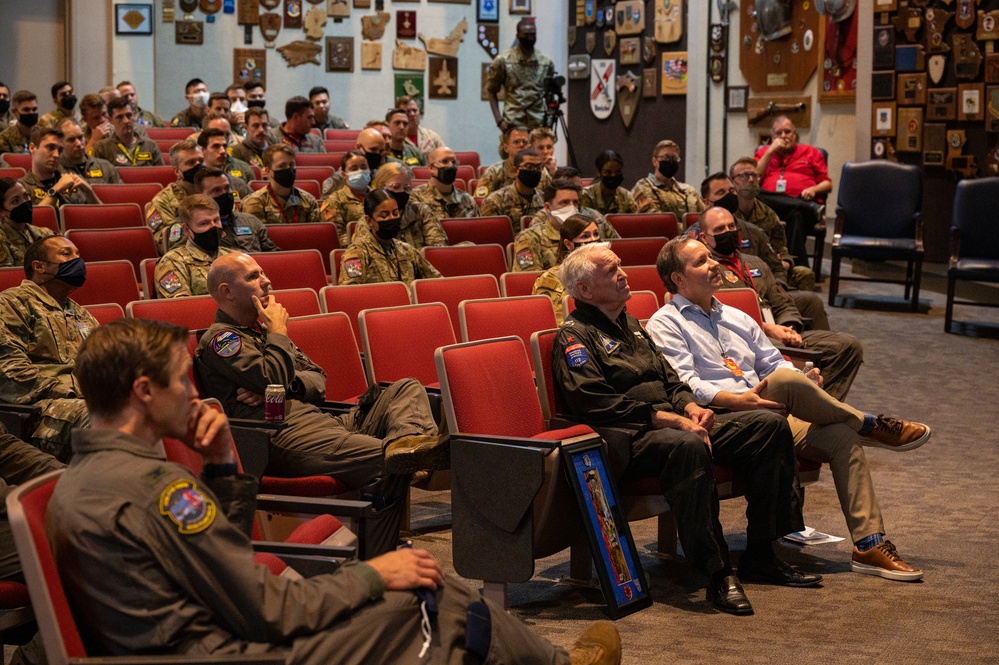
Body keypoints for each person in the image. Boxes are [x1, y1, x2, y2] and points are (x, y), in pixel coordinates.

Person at [50, 315, 622, 664]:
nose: (196, 397)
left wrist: (224, 463)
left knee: (429, 596)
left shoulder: (91, 473)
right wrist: (375, 573)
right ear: (145, 392)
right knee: (426, 597)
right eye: (182, 382)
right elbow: (270, 608)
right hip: (228, 651)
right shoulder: (156, 487)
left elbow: (215, 557)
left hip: (211, 633)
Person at [552, 243, 819, 615]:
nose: (624, 274)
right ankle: (717, 572)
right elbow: (593, 402)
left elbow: (671, 379)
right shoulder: (574, 336)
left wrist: (690, 406)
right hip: (625, 440)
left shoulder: (630, 325)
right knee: (687, 445)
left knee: (768, 426)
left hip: (669, 426)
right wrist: (665, 418)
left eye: (620, 267)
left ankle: (763, 552)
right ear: (585, 289)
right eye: (612, 271)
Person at [647, 236, 930, 581]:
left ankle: (869, 544)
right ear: (678, 279)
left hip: (771, 410)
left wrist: (804, 377)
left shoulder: (737, 316)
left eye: (711, 258)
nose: (714, 264)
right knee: (784, 381)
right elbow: (685, 383)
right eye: (701, 262)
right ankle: (867, 422)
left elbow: (772, 361)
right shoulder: (666, 322)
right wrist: (739, 399)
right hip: (721, 415)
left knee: (839, 434)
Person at [200, 252, 447, 553]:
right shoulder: (222, 340)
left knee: (405, 387)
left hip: (321, 420)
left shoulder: (262, 331)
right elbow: (269, 378)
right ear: (227, 291)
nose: (266, 281)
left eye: (262, 273)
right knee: (385, 460)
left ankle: (408, 446)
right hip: (279, 435)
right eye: (252, 277)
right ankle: (379, 554)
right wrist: (278, 335)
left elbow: (318, 379)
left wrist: (285, 386)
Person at [696, 207, 863, 401]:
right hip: (747, 340)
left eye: (731, 226)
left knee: (848, 346)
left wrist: (789, 327)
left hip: (779, 334)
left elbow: (781, 301)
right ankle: (815, 407)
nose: (728, 232)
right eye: (719, 230)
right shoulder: (708, 271)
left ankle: (823, 405)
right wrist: (768, 329)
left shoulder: (755, 262)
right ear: (704, 238)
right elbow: (719, 318)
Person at [0, 235, 93, 460]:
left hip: (82, 404)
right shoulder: (12, 303)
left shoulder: (80, 312)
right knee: (105, 418)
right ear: (39, 266)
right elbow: (9, 369)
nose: (77, 260)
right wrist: (74, 394)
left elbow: (105, 362)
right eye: (66, 254)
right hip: (37, 414)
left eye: (78, 254)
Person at [694, 173, 825, 323]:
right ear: (707, 202)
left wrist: (776, 290)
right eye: (721, 193)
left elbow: (777, 267)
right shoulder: (693, 239)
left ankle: (808, 344)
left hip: (765, 294)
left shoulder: (754, 231)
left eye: (731, 191)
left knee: (811, 301)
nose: (729, 197)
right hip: (730, 301)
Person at [754, 116, 831, 267]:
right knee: (754, 191)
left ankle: (794, 269)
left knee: (797, 215)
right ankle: (800, 269)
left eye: (787, 131)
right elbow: (754, 177)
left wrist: (814, 189)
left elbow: (827, 184)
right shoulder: (764, 152)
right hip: (771, 207)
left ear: (794, 134)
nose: (783, 136)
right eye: (779, 133)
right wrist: (770, 152)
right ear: (772, 136)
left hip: (802, 204)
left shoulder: (811, 152)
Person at [730, 157, 816, 291]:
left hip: (768, 270)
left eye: (754, 175)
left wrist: (782, 264)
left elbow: (782, 252)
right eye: (744, 176)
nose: (751, 180)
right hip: (737, 271)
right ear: (732, 183)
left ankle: (790, 308)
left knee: (805, 274)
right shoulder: (727, 214)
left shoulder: (768, 214)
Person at [338, 189, 442, 285]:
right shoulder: (357, 253)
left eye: (395, 213)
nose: (391, 218)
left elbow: (437, 281)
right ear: (369, 221)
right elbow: (350, 294)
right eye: (384, 215)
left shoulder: (407, 250)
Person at [154, 194, 234, 298]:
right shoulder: (173, 262)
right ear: (186, 229)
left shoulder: (233, 256)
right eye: (204, 223)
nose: (213, 227)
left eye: (216, 220)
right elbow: (182, 306)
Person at [487, 17, 555, 131]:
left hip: (538, 124)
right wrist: (499, 121)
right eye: (526, 34)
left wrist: (549, 120)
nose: (530, 37)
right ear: (518, 35)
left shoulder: (546, 63)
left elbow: (551, 94)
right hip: (512, 124)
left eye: (533, 34)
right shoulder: (503, 61)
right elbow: (491, 90)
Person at [532, 213, 600, 324]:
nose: (594, 240)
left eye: (596, 234)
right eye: (585, 236)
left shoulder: (606, 272)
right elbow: (559, 324)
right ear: (568, 244)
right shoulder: (551, 278)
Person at [361, 161, 446, 249]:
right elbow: (365, 251)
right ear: (381, 187)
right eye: (396, 187)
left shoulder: (421, 211)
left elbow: (437, 246)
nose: (401, 191)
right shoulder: (370, 219)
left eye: (406, 188)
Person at [195, 168, 277, 253]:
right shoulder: (197, 229)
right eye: (216, 190)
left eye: (227, 188)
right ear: (201, 196)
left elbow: (272, 255)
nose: (224, 193)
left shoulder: (251, 221)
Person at [146, 140, 206, 252]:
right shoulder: (163, 200)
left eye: (201, 161)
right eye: (191, 162)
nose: (199, 165)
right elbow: (163, 241)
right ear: (177, 171)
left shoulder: (215, 190)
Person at [512, 177, 583, 272]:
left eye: (575, 202)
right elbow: (528, 278)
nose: (572, 207)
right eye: (564, 202)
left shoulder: (586, 234)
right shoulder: (528, 238)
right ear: (548, 208)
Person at [240, 144, 321, 225]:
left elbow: (315, 234)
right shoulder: (255, 202)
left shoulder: (308, 200)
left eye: (292, 165)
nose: (289, 169)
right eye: (282, 166)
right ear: (268, 171)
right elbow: (257, 235)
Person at [20, 126, 101, 208]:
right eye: (50, 147)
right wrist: (56, 191)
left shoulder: (73, 181)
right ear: (32, 148)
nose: (56, 155)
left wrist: (89, 192)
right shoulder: (21, 187)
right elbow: (31, 220)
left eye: (60, 150)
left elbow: (102, 218)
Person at [631, 139, 704, 218]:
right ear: (654, 161)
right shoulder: (644, 187)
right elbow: (656, 221)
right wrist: (689, 226)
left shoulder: (688, 190)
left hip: (693, 230)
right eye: (666, 157)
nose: (670, 161)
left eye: (675, 158)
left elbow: (705, 217)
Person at [481, 148, 545, 234]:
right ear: (515, 171)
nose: (535, 171)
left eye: (538, 167)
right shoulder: (495, 201)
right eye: (529, 167)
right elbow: (489, 236)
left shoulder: (546, 200)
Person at [475, 126, 551, 197]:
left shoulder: (539, 171)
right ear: (506, 148)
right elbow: (480, 201)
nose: (521, 145)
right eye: (516, 142)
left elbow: (552, 200)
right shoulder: (494, 172)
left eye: (525, 142)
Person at [91, 96, 165, 167]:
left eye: (129, 115)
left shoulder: (150, 145)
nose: (126, 121)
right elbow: (99, 178)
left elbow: (162, 174)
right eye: (119, 117)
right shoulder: (101, 148)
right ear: (110, 120)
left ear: (134, 116)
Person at [411, 146, 480, 220]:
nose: (450, 165)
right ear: (431, 168)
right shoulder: (416, 198)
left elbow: (477, 229)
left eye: (453, 162)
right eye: (444, 161)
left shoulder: (467, 199)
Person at [320, 150, 370, 246]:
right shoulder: (334, 201)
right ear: (344, 174)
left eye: (364, 167)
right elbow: (336, 236)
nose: (360, 171)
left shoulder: (379, 196)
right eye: (354, 169)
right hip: (353, 251)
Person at [0, 178, 54, 267]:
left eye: (26, 196)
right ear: (1, 212)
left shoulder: (45, 234)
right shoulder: (2, 238)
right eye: (15, 201)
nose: (25, 202)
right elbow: (7, 276)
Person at [57, 117, 122, 184]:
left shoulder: (105, 167)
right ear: (60, 143)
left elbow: (120, 193)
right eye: (71, 140)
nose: (79, 143)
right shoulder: (55, 171)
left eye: (80, 137)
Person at [196, 127, 253, 199]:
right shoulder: (193, 184)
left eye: (225, 146)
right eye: (216, 146)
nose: (223, 151)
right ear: (202, 150)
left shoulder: (238, 184)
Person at [580, 150, 638, 215]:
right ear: (599, 172)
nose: (613, 176)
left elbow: (635, 220)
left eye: (618, 172)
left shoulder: (626, 196)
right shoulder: (587, 195)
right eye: (608, 172)